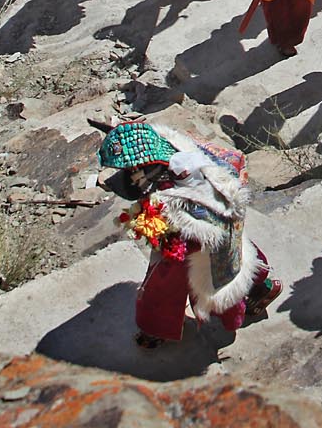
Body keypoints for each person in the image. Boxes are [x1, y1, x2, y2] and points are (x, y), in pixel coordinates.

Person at [97, 120, 281, 348]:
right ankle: (261, 286)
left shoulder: (179, 203)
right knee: (238, 254)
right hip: (223, 225)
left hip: (197, 239)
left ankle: (156, 328)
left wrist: (154, 227)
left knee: (169, 279)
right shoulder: (181, 153)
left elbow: (183, 239)